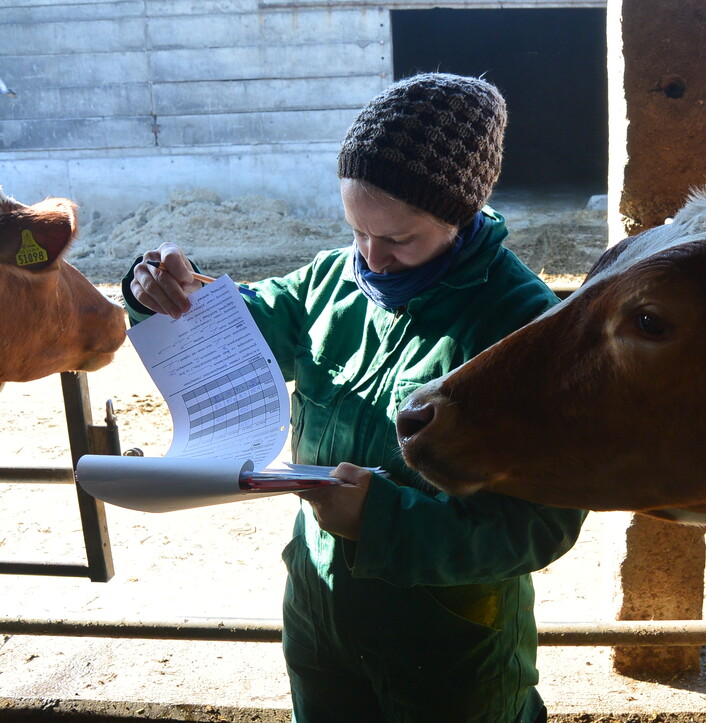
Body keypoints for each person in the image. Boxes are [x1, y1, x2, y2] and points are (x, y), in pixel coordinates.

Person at [122, 73, 587, 723]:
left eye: (399, 239)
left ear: (460, 212)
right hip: (320, 615)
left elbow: (541, 523)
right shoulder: (330, 280)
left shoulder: (519, 326)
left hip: (447, 646)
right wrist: (171, 294)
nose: (373, 257)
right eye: (357, 229)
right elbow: (246, 335)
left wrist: (382, 520)